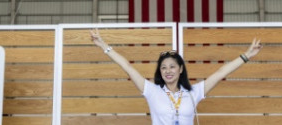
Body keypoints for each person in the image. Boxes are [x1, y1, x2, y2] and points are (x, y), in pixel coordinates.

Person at [89, 28, 262, 125]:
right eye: (163, 68)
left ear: (180, 70)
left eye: (172, 66)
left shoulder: (194, 92)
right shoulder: (151, 90)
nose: (168, 70)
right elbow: (126, 66)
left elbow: (220, 73)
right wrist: (102, 44)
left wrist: (247, 55)